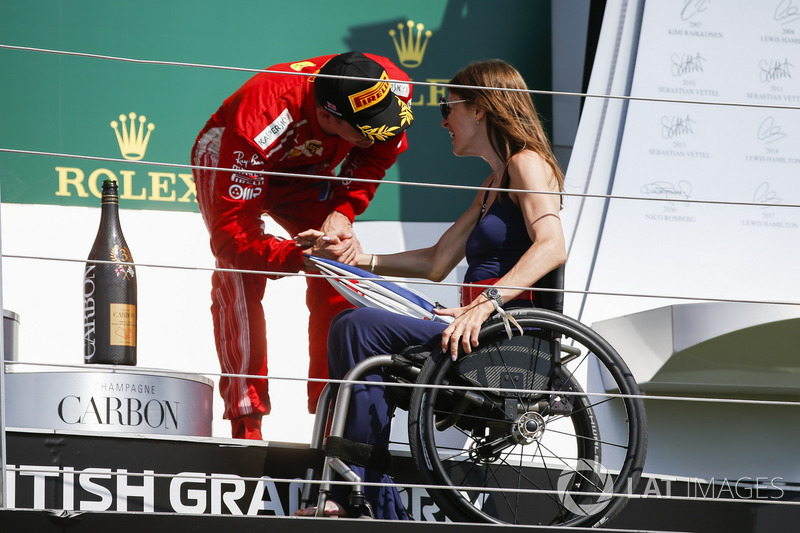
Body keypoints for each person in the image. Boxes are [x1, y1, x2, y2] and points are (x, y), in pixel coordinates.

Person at [302, 59, 567, 519]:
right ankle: (362, 495)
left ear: (481, 108)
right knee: (351, 325)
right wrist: (353, 257)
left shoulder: (527, 164)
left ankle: (358, 498)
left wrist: (482, 306)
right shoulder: (491, 185)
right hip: (476, 336)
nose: (443, 119)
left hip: (509, 344)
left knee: (358, 328)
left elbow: (553, 246)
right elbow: (437, 261)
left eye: (448, 107)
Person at [191, 52, 415, 440]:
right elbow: (232, 238)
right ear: (328, 118)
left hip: (309, 172)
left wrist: (343, 212)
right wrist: (300, 257)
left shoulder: (388, 85)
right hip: (236, 154)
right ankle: (247, 422)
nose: (379, 130)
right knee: (238, 272)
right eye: (366, 128)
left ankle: (334, 417)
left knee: (341, 268)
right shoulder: (260, 118)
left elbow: (378, 152)